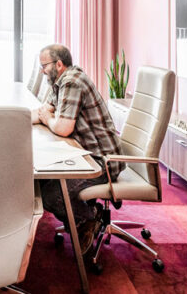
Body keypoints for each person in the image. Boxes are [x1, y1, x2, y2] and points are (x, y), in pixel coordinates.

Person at [31, 43, 124, 255]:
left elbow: (63, 128)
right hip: (84, 156)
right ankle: (84, 219)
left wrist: (48, 118)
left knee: (50, 196)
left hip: (102, 163)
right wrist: (15, 119)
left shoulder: (72, 82)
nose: (42, 71)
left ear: (59, 64)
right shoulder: (61, 81)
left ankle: (90, 217)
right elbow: (44, 112)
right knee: (41, 182)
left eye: (44, 66)